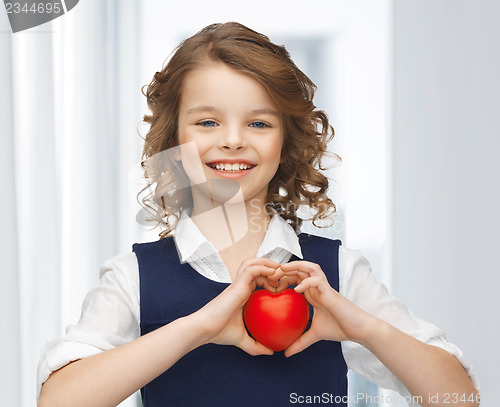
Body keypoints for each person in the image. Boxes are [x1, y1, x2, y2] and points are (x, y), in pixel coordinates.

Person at [37, 22, 480, 407]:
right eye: (208, 122)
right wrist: (198, 328)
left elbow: (459, 398)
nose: (232, 140)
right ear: (173, 138)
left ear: (286, 142)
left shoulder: (338, 273)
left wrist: (364, 328)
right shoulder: (132, 278)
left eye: (259, 123)